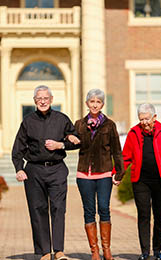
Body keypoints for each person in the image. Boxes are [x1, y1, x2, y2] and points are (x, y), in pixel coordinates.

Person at [12, 85, 80, 260]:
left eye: (46, 98)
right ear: (35, 101)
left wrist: (62, 144)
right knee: (38, 209)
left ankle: (58, 251)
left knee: (58, 208)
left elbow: (76, 140)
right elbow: (18, 148)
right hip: (34, 170)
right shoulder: (28, 121)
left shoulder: (62, 119)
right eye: (39, 98)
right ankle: (44, 252)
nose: (42, 101)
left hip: (57, 169)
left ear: (51, 100)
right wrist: (19, 168)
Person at [122, 103, 161, 260]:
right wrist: (118, 174)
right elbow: (125, 157)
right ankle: (145, 252)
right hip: (141, 181)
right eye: (141, 119)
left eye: (147, 119)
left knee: (160, 216)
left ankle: (157, 250)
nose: (144, 122)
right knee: (143, 215)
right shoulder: (133, 133)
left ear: (154, 117)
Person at [74, 89, 124, 260]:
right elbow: (71, 145)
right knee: (89, 211)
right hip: (84, 175)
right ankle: (94, 251)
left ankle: (106, 249)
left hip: (104, 173)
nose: (95, 104)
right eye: (92, 101)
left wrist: (119, 173)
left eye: (98, 102)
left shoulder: (110, 125)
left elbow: (117, 151)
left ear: (102, 104)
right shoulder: (79, 125)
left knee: (104, 208)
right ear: (87, 103)